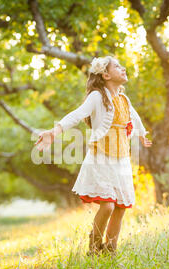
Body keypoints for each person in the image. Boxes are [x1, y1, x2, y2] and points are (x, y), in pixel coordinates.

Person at [34, 56, 152, 256]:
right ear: (106, 75)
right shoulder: (98, 96)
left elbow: (134, 116)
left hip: (121, 159)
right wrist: (54, 132)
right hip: (101, 158)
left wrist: (141, 134)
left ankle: (110, 251)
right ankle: (94, 246)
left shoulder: (124, 98)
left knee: (120, 207)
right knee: (107, 206)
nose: (122, 68)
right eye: (117, 66)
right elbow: (77, 114)